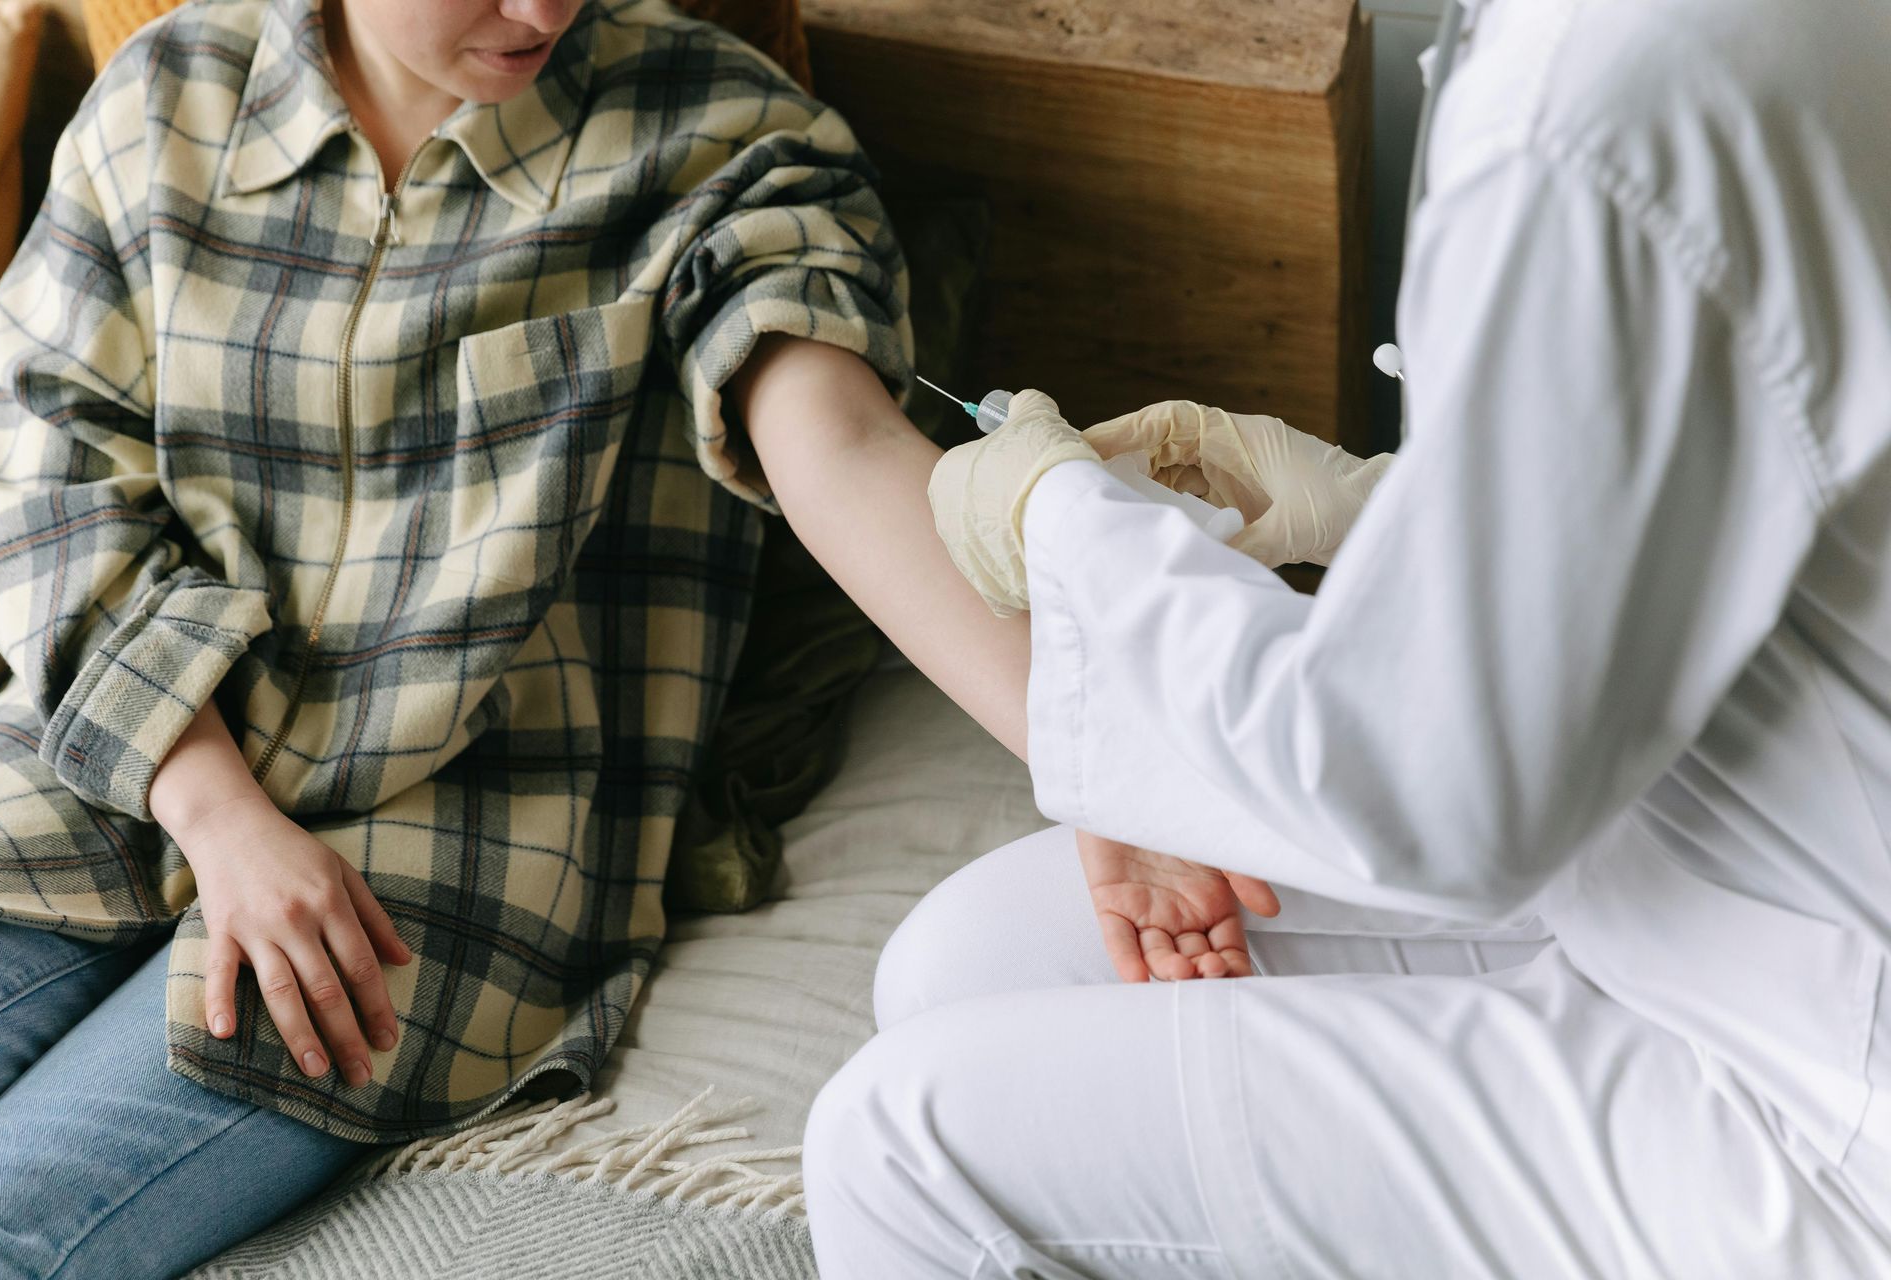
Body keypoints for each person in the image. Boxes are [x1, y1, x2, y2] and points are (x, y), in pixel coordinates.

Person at [802, 0, 1891, 1274]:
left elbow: (1431, 799)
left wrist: (1065, 528)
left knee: (896, 1145)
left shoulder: (1616, 96)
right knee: (962, 963)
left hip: (1819, 1082)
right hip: (1699, 846)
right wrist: (1381, 505)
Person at [0, 0, 1028, 1270]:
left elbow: (844, 449)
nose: (542, 10)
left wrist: (1103, 764)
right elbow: (44, 486)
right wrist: (222, 816)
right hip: (91, 762)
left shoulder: (720, 136)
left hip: (444, 842)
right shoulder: (166, 93)